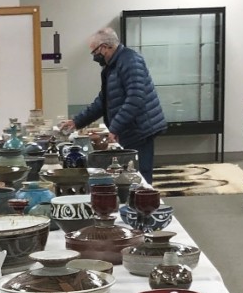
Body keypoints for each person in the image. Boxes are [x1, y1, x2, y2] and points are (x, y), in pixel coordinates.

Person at [62, 26, 166, 182]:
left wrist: (115, 127)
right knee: (130, 173)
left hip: (140, 129)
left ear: (104, 47)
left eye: (94, 52)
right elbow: (103, 101)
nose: (94, 56)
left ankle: (144, 204)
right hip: (130, 127)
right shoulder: (113, 66)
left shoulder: (130, 61)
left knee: (139, 175)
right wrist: (77, 121)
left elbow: (136, 98)